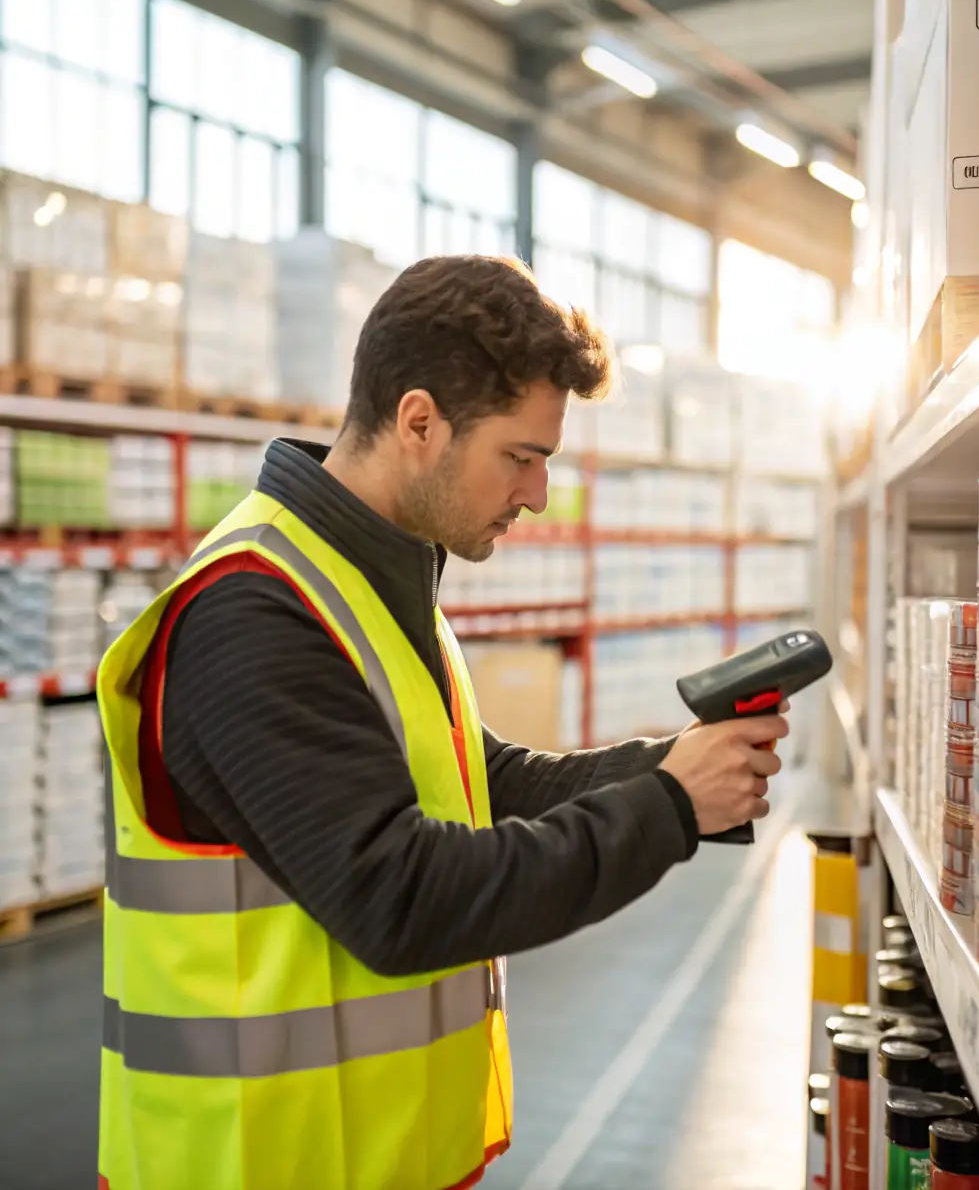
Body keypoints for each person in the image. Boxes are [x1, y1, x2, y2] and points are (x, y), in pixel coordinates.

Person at [96, 254, 785, 1190]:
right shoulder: (250, 613)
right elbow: (400, 897)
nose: (538, 493)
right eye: (522, 456)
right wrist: (665, 805)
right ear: (419, 421)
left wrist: (676, 762)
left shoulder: (375, 579)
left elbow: (480, 780)